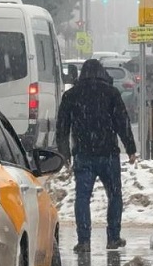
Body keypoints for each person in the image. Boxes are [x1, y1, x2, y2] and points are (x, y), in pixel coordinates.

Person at [56, 59, 137, 253]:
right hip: (108, 154)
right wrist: (130, 148)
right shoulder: (111, 93)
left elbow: (62, 127)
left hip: (83, 155)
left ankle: (84, 241)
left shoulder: (71, 95)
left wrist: (64, 153)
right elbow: (122, 122)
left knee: (82, 198)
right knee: (115, 195)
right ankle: (113, 237)